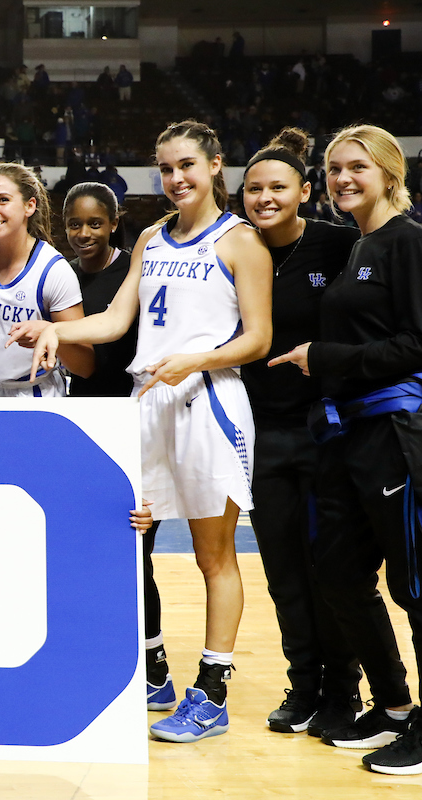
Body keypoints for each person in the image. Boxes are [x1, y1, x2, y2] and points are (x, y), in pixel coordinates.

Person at [26, 120, 273, 742]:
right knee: (128, 541)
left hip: (208, 398)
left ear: (216, 165)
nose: (176, 178)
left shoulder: (242, 242)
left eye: (187, 164)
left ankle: (211, 694)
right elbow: (112, 322)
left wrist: (196, 359)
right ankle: (153, 670)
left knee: (212, 555)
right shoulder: (152, 240)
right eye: (165, 168)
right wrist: (56, 331)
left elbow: (259, 338)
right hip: (148, 400)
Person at [268, 124, 422, 773]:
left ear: (390, 172)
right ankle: (391, 706)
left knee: (414, 585)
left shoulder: (408, 242)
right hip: (345, 435)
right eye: (333, 169)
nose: (342, 178)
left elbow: (417, 344)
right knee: (338, 574)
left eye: (356, 166)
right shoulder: (357, 244)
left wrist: (326, 357)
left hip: (394, 433)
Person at [239, 128, 365, 737]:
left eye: (278, 187)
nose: (265, 197)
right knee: (282, 568)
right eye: (254, 188)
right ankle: (304, 685)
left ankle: (346, 690)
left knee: (330, 568)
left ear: (305, 191)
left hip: (325, 431)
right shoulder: (233, 250)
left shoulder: (339, 245)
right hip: (258, 432)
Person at [62, 181, 172, 708]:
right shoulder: (60, 274)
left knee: (134, 551)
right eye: (74, 225)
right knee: (79, 551)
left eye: (93, 223)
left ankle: (154, 665)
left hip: (127, 424)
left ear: (113, 222)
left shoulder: (136, 271)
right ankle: (94, 654)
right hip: (77, 424)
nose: (84, 233)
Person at [0, 162, 93, 397]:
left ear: (30, 206)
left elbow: (85, 366)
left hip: (30, 392)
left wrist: (53, 333)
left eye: (3, 200)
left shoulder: (53, 271)